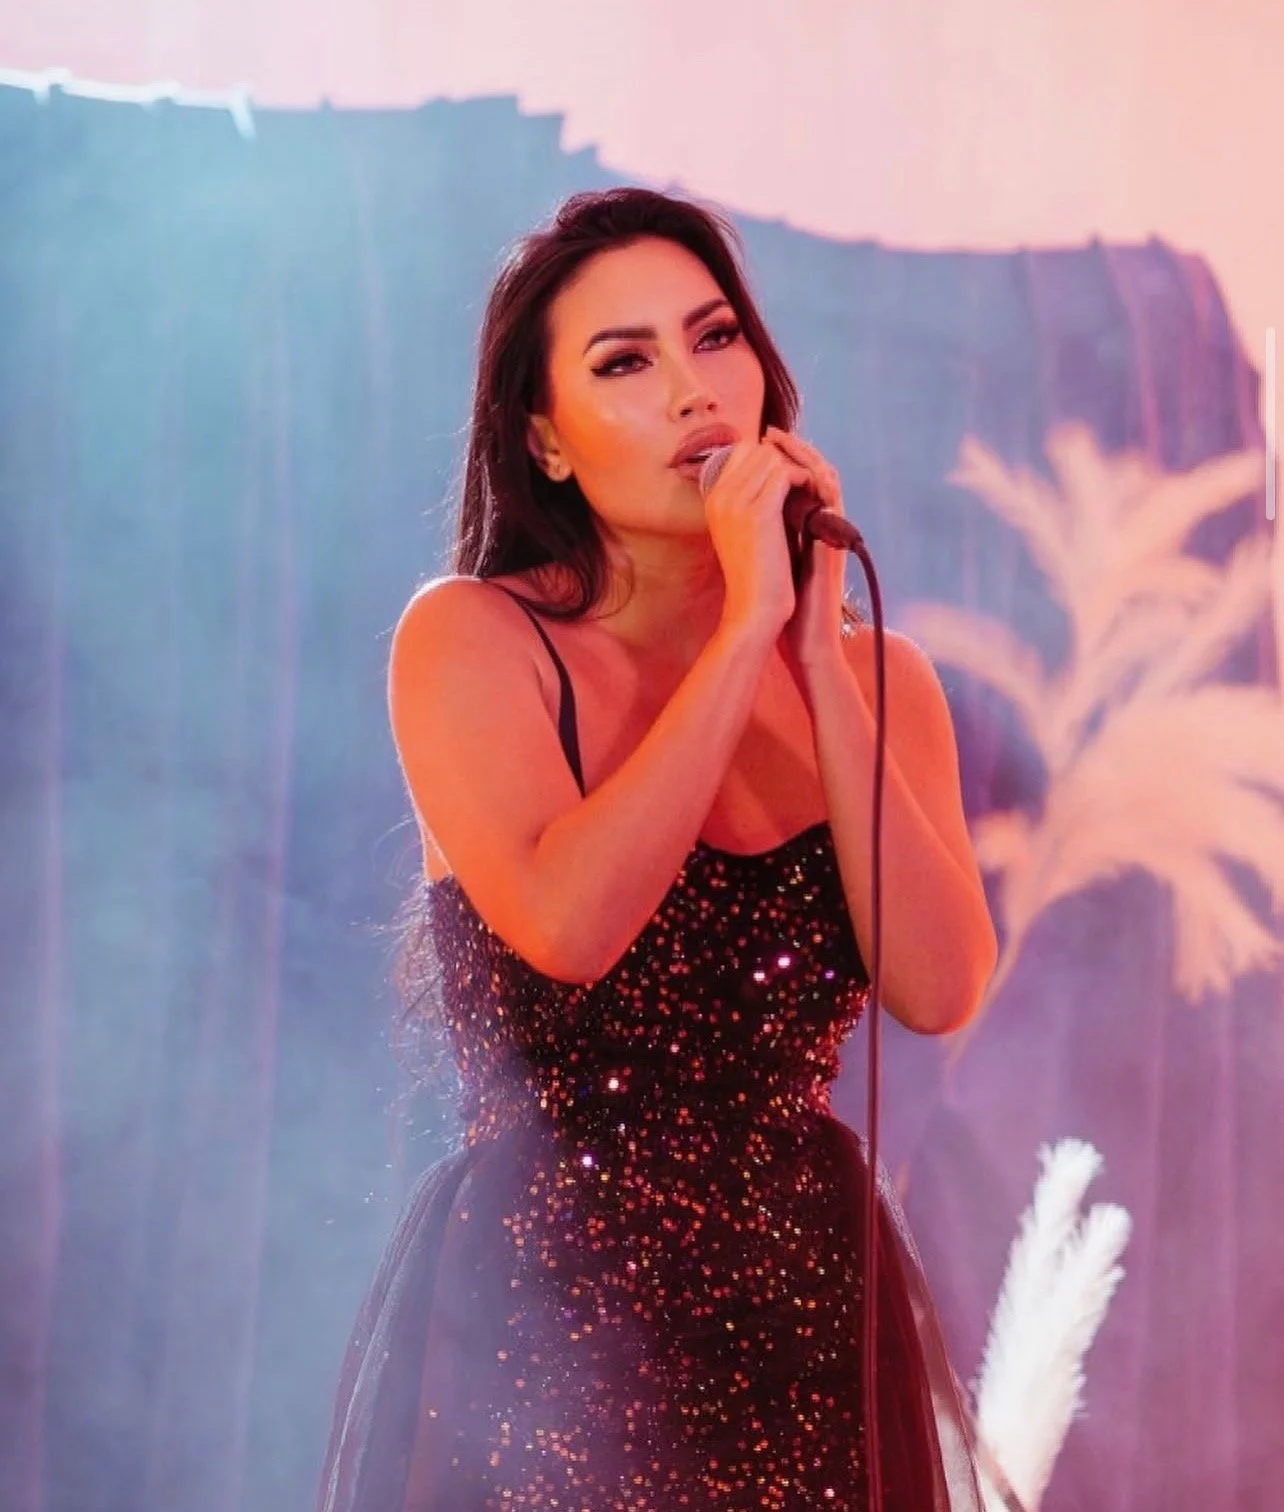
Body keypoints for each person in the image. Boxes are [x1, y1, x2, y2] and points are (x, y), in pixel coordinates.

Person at [316, 187, 997, 1511]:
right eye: (625, 363)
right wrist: (740, 634)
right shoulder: (472, 641)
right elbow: (572, 927)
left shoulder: (876, 677)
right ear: (547, 443)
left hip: (801, 1313)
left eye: (715, 339)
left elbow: (939, 986)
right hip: (548, 1323)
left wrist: (810, 650)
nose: (693, 391)